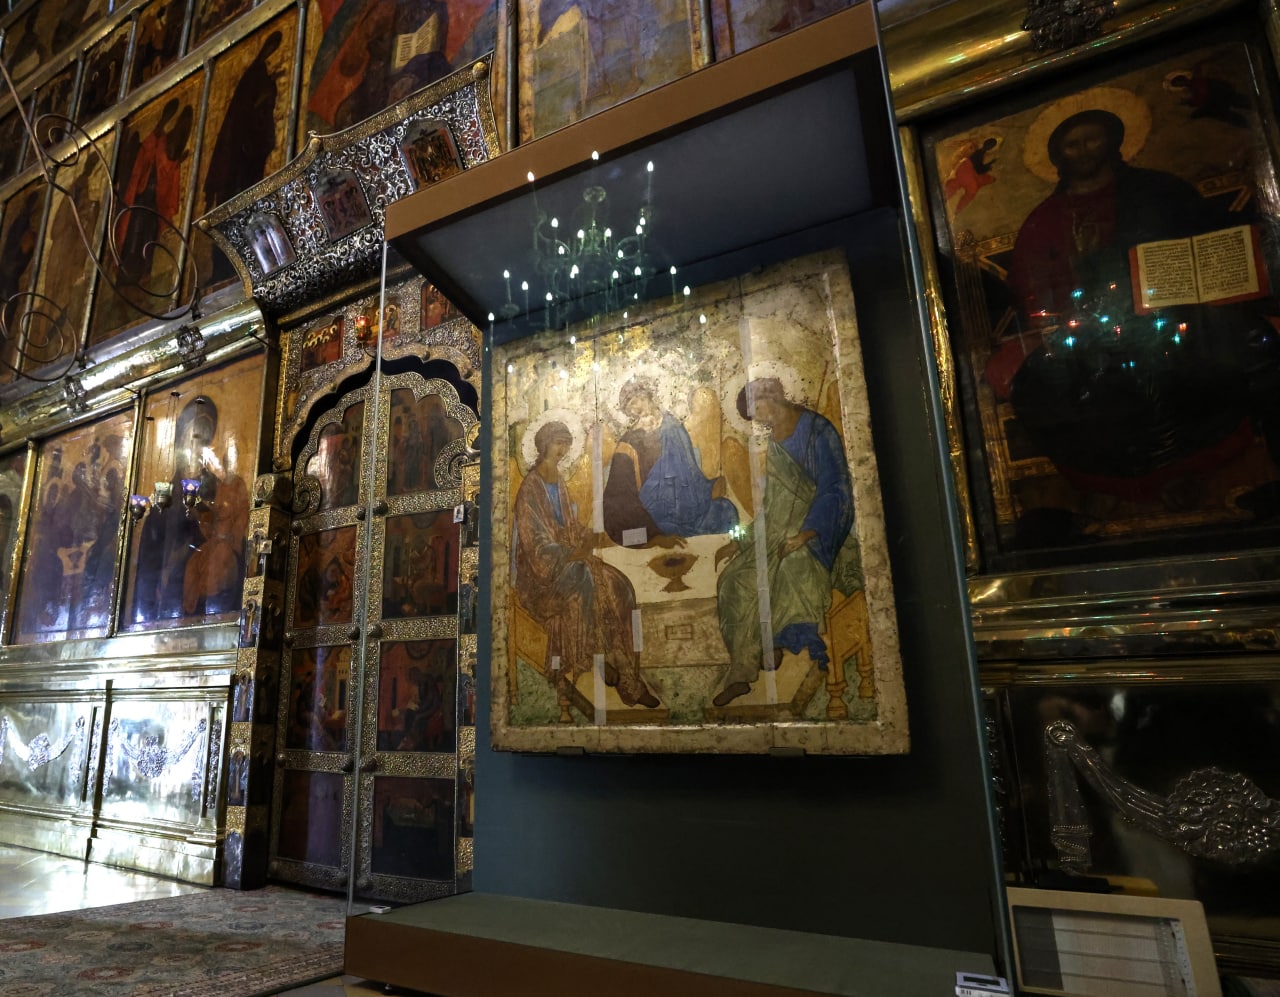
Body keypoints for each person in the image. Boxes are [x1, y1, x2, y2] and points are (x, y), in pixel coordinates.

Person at [997, 107, 1280, 511]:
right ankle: (1127, 476)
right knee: (1048, 384)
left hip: (1178, 310)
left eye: (1092, 138)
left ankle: (1201, 460)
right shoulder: (1044, 219)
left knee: (1243, 344)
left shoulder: (1158, 190)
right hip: (1090, 328)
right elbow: (1030, 287)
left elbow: (1207, 234)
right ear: (1059, 155)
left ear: (1113, 141)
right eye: (1072, 144)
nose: (1084, 150)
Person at [712, 378, 860, 708]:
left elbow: (836, 489)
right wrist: (741, 540)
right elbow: (772, 507)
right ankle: (742, 671)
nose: (760, 420)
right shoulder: (776, 443)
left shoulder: (817, 430)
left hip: (820, 532)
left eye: (759, 411)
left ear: (773, 397)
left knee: (792, 568)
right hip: (778, 533)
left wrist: (806, 534)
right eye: (754, 417)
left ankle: (774, 643)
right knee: (733, 581)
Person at [512, 420, 659, 709]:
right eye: (558, 443)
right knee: (584, 576)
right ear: (544, 445)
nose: (562, 450)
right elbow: (533, 542)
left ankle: (625, 670)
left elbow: (569, 525)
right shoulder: (530, 487)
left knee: (620, 586)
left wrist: (588, 536)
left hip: (569, 560)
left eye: (566, 445)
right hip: (541, 574)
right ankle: (602, 659)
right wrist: (568, 553)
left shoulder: (558, 481)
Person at [602, 378, 738, 547]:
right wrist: (651, 537)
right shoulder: (628, 444)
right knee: (665, 529)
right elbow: (619, 496)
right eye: (630, 406)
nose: (636, 408)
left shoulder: (674, 427)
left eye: (638, 400)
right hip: (654, 514)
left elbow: (691, 471)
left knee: (726, 510)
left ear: (649, 395)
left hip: (688, 504)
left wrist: (709, 488)